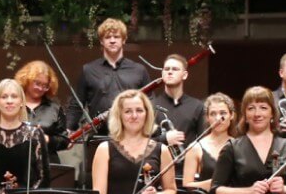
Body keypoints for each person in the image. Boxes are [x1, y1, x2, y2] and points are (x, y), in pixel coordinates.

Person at [65, 18, 150, 175]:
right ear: (101, 41)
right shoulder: (88, 70)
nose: (112, 40)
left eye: (116, 37)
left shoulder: (139, 70)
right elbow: (76, 104)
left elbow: (149, 105)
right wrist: (69, 129)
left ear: (124, 40)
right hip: (99, 137)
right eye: (107, 37)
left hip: (131, 138)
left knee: (129, 180)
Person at [150, 53, 205, 161]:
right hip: (157, 167)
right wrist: (164, 139)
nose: (170, 72)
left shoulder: (197, 106)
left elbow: (204, 142)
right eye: (166, 69)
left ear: (184, 75)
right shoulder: (150, 106)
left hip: (188, 167)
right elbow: (140, 142)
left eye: (175, 69)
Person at [183, 93, 236, 191]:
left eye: (223, 113)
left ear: (231, 115)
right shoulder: (195, 148)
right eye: (213, 114)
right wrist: (216, 182)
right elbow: (187, 185)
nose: (218, 118)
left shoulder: (240, 146)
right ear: (207, 118)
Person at [16, 60, 67, 151]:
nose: (40, 88)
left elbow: (65, 140)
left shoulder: (55, 108)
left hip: (46, 157)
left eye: (45, 85)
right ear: (26, 80)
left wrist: (48, 139)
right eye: (37, 83)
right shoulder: (13, 104)